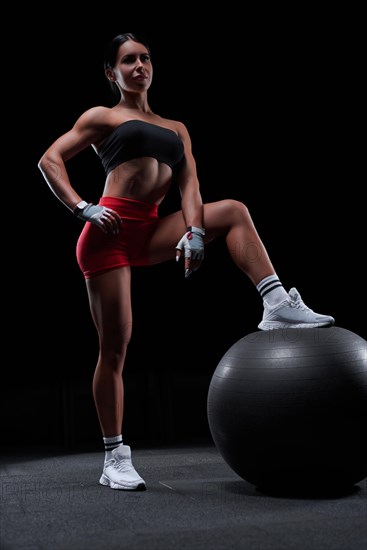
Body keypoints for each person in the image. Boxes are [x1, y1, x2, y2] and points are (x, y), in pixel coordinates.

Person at [38, 32, 335, 491]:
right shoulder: (104, 116)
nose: (140, 66)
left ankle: (275, 301)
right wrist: (83, 207)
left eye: (145, 58)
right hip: (109, 234)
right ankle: (114, 456)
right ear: (110, 73)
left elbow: (190, 187)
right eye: (128, 60)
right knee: (115, 348)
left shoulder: (176, 127)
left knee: (233, 210)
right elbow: (50, 159)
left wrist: (195, 232)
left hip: (152, 229)